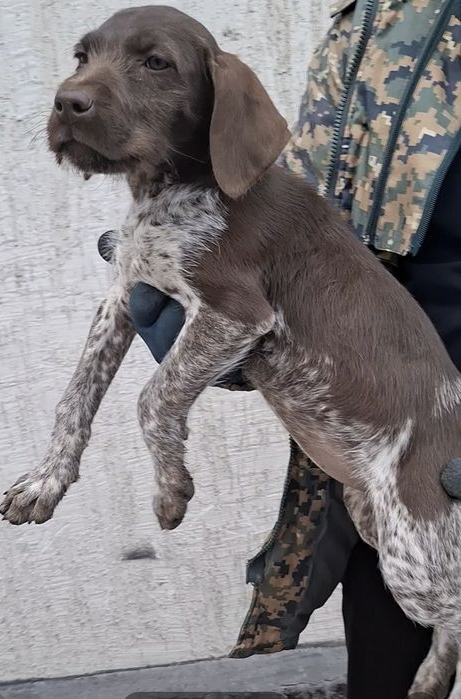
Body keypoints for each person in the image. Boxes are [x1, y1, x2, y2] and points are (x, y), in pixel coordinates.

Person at [99, 1, 461, 696]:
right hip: (384, 411)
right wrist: (234, 334)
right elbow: (301, 235)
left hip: (438, 405)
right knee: (390, 626)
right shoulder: (364, 24)